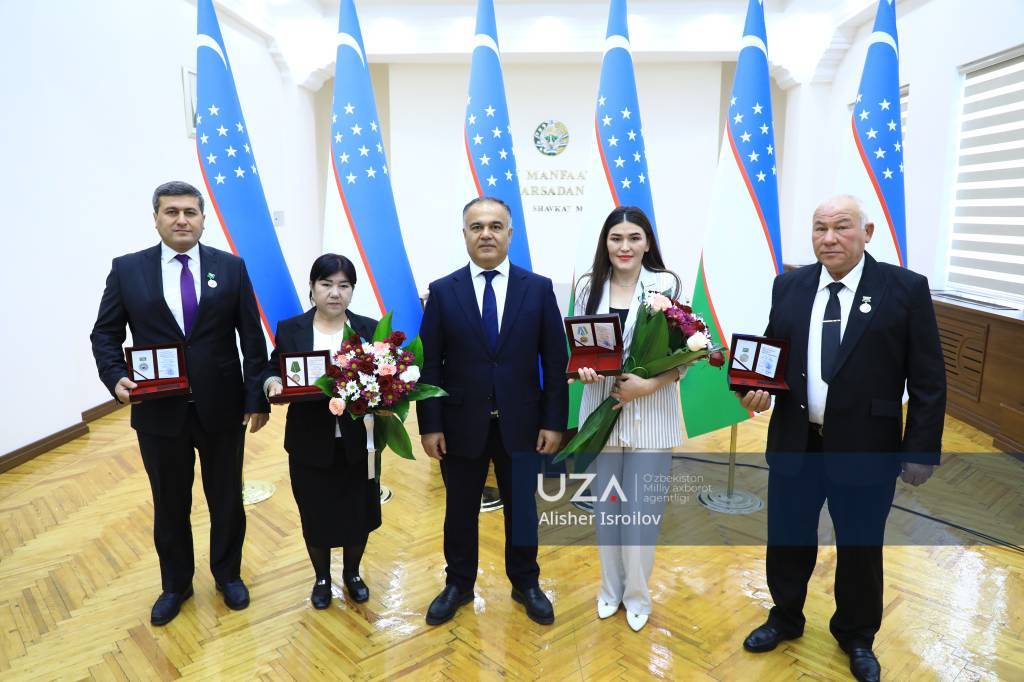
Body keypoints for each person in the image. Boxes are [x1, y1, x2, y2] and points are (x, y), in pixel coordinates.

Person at [739, 195, 946, 682]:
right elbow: (773, 355)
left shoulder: (904, 289)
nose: (829, 238)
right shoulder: (789, 286)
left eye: (842, 227)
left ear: (867, 233)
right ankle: (785, 617)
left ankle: (856, 635)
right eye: (820, 228)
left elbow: (928, 379)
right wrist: (754, 388)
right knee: (787, 539)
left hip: (867, 447)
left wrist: (919, 449)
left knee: (860, 546)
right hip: (797, 442)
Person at [90, 181, 270, 625]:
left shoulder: (231, 268)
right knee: (170, 503)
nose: (182, 220)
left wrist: (255, 397)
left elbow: (251, 337)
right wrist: (114, 376)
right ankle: (176, 585)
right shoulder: (128, 270)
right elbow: (105, 333)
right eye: (171, 212)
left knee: (226, 498)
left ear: (203, 219)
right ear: (156, 219)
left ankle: (228, 575)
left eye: (190, 212)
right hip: (158, 411)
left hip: (222, 407)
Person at [417, 197, 568, 626]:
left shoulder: (538, 288)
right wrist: (430, 425)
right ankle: (458, 584)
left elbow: (555, 361)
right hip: (460, 425)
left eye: (495, 226)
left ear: (510, 234)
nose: (486, 234)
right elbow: (429, 366)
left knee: (522, 510)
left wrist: (553, 421)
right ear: (464, 234)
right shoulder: (442, 292)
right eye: (477, 226)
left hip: (523, 424)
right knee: (459, 511)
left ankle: (526, 582)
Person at [572, 206, 684, 632]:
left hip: (652, 414)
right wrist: (583, 369)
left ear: (647, 242)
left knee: (642, 514)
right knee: (608, 509)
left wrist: (649, 385)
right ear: (605, 243)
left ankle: (637, 595)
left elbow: (685, 355)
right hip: (601, 413)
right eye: (616, 238)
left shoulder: (667, 284)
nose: (625, 246)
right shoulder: (588, 286)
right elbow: (581, 348)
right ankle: (609, 590)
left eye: (634, 238)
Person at [262, 254, 381, 609]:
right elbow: (273, 367)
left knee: (359, 513)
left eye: (344, 285)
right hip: (309, 441)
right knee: (315, 514)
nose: (335, 293)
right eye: (326, 284)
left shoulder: (369, 329)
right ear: (312, 288)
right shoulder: (292, 329)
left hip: (359, 442)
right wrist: (272, 384)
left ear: (352, 290)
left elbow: (384, 376)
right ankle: (322, 578)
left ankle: (352, 574)